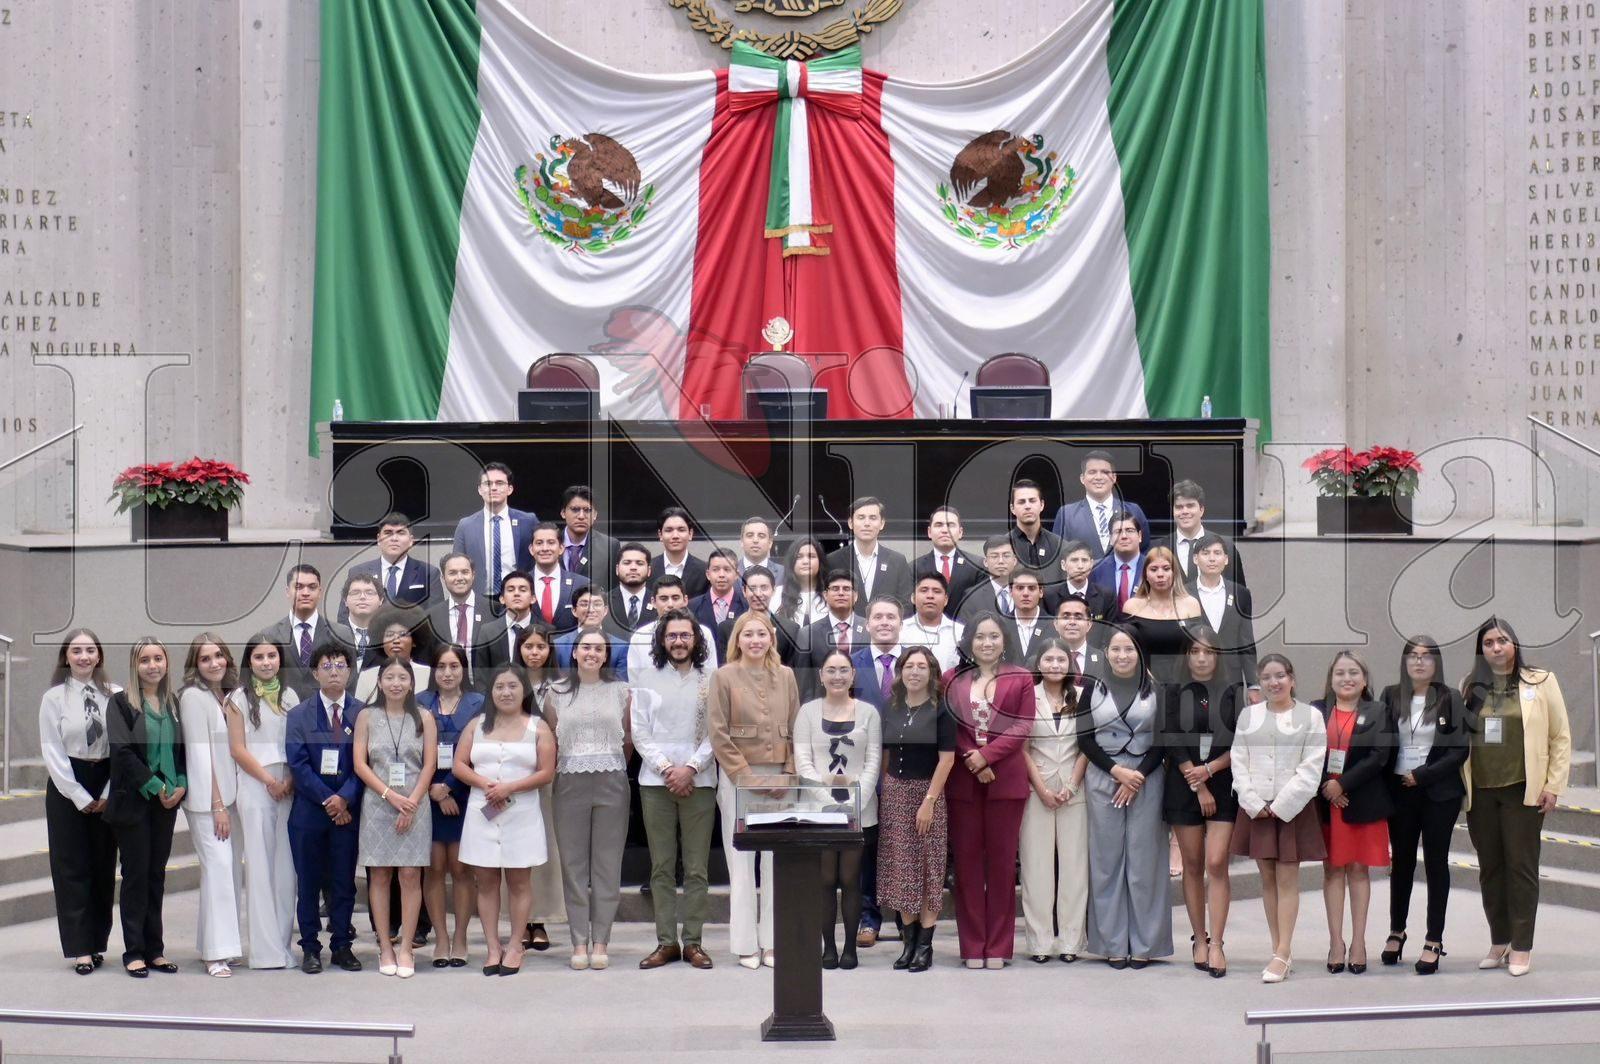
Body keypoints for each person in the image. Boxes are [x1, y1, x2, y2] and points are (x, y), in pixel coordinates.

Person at [1462, 616, 1570, 977]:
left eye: (1502, 640)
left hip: (1523, 791)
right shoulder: (1470, 686)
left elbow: (1560, 737)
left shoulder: (1540, 681)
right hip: (1480, 793)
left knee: (1521, 869)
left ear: (1515, 645)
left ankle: (1522, 945)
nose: (1496, 647)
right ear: (1481, 650)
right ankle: (1499, 940)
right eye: (1489, 642)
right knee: (1490, 869)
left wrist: (1553, 785)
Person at [709, 611, 802, 969]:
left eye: (761, 634)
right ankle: (745, 943)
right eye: (748, 634)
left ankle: (773, 941)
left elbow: (796, 728)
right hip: (739, 779)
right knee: (743, 863)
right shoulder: (723, 676)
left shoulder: (787, 676)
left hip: (781, 779)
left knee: (777, 863)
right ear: (737, 639)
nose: (755, 641)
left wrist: (789, 774)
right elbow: (718, 734)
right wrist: (749, 778)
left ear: (771, 639)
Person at [1230, 654, 1328, 983]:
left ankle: (1283, 952)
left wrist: (1282, 804)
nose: (1274, 683)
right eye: (1267, 677)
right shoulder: (1249, 715)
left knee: (1287, 880)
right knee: (1267, 880)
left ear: (1292, 679)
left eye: (1280, 676)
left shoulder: (1311, 717)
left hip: (1292, 809)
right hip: (1256, 808)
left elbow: (1312, 767)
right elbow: (1238, 760)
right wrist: (1253, 801)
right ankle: (1278, 948)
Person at [944, 613, 1034, 969]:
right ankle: (971, 946)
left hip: (1005, 782)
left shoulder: (1021, 678)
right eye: (980, 637)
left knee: (1000, 867)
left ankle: (998, 946)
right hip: (964, 782)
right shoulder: (952, 678)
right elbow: (949, 724)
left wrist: (987, 757)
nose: (986, 643)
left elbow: (1023, 724)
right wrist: (972, 759)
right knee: (967, 867)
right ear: (970, 641)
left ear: (1005, 640)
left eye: (994, 636)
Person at [1078, 626, 1171, 969]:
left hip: (1147, 777)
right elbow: (1084, 739)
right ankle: (1112, 942)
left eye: (1128, 649)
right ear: (1106, 653)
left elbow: (1163, 741)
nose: (1121, 655)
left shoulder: (1156, 690)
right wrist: (1117, 772)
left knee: (1145, 860)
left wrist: (1137, 776)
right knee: (1107, 861)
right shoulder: (1092, 688)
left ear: (1139, 653)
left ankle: (1146, 943)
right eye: (1115, 649)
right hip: (1104, 776)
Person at [455, 665, 556, 976]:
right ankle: (492, 946)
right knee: (485, 882)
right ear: (491, 691)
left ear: (523, 690)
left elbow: (546, 771)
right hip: (482, 811)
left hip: (521, 813)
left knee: (518, 881)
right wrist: (487, 785)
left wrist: (510, 787)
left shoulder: (538, 727)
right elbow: (459, 764)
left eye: (513, 686)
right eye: (499, 686)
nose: (506, 692)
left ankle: (515, 944)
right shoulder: (476, 725)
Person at [631, 611, 718, 970]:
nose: (679, 642)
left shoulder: (712, 680)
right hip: (656, 782)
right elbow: (639, 731)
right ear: (662, 640)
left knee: (697, 867)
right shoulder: (646, 678)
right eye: (672, 636)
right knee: (662, 867)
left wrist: (692, 768)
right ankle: (666, 942)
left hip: (700, 781)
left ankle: (693, 942)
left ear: (696, 640)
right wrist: (668, 769)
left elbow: (719, 730)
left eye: (685, 635)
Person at [1381, 636, 1470, 975]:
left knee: (1435, 864)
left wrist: (1424, 775)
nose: (1419, 662)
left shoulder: (1451, 698)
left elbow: (1459, 750)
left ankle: (1434, 939)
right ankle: (1396, 930)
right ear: (1405, 662)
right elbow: (1382, 744)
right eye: (1413, 656)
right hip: (1399, 791)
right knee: (1401, 862)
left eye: (1426, 657)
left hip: (1437, 793)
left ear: (1437, 663)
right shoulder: (1390, 695)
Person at [546, 628, 633, 970]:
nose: (592, 653)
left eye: (599, 648)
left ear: (606, 655)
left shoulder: (621, 691)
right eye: (587, 647)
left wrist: (610, 766)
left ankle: (601, 940)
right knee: (573, 865)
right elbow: (553, 740)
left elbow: (627, 742)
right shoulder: (556, 693)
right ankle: (579, 941)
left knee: (607, 864)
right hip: (568, 781)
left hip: (611, 778)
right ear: (575, 652)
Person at [794, 649, 882, 969]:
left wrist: (853, 802)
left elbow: (873, 762)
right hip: (818, 809)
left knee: (851, 878)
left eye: (844, 670)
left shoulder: (869, 712)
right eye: (831, 670)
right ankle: (827, 946)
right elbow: (803, 761)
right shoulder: (807, 712)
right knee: (825, 880)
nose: (838, 676)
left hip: (860, 809)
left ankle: (850, 948)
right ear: (821, 676)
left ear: (853, 675)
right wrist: (827, 801)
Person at [1162, 626, 1242, 977]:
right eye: (1194, 652)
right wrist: (1197, 781)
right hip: (1183, 783)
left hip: (1223, 783)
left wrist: (1209, 772)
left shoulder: (1233, 692)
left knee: (1216, 862)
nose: (1201, 658)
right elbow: (1171, 739)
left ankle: (1218, 944)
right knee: (1192, 865)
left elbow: (1241, 742)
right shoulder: (1172, 691)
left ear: (1218, 656)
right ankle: (1199, 937)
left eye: (1208, 652)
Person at [104, 638, 186, 978]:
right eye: (145, 660)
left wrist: (181, 783)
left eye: (158, 658)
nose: (153, 665)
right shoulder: (121, 703)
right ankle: (133, 951)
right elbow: (122, 753)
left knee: (157, 876)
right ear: (135, 666)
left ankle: (155, 950)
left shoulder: (173, 702)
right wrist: (156, 786)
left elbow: (181, 751)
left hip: (167, 803)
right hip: (136, 800)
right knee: (136, 877)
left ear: (167, 663)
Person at [39, 629, 119, 975]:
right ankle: (80, 949)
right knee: (71, 868)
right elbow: (52, 750)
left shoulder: (115, 695)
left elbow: (124, 749)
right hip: (67, 783)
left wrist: (106, 793)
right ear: (66, 657)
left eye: (90, 650)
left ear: (99, 655)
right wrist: (78, 794)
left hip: (107, 779)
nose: (84, 656)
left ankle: (97, 943)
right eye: (76, 651)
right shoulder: (53, 698)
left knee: (102, 867)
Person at [353, 656, 437, 978]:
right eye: (390, 677)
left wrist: (411, 803)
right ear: (380, 682)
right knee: (380, 876)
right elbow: (360, 764)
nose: (396, 683)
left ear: (412, 683)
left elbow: (429, 765)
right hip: (378, 805)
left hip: (416, 804)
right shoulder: (367, 716)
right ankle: (385, 946)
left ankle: (405, 948)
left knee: (411, 876)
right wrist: (391, 797)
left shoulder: (425, 718)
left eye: (403, 677)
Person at [285, 642, 365, 974]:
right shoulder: (299, 714)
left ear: (350, 670)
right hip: (309, 812)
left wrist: (344, 798)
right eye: (327, 666)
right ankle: (310, 948)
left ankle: (343, 946)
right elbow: (298, 765)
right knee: (309, 882)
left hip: (347, 812)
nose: (334, 671)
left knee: (344, 881)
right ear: (316, 672)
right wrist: (329, 800)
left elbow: (366, 763)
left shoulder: (363, 713)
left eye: (341, 665)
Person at [876, 646, 956, 973]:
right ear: (901, 672)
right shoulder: (891, 707)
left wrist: (929, 802)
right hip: (895, 793)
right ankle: (908, 945)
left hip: (927, 795)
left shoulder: (941, 709)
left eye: (922, 667)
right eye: (909, 666)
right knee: (902, 872)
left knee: (927, 870)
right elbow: (885, 755)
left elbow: (947, 759)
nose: (915, 672)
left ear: (932, 672)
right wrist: (884, 789)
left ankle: (925, 947)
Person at [1315, 649, 1393, 976]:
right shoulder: (1316, 711)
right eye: (1340, 673)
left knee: (1359, 871)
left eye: (1353, 673)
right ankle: (1336, 942)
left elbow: (1380, 755)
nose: (1346, 678)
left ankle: (1359, 942)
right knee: (1332, 870)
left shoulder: (1379, 711)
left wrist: (1343, 785)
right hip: (1325, 802)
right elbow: (1304, 752)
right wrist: (1327, 788)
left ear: (1364, 680)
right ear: (1330, 679)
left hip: (1361, 801)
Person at [223, 634, 299, 970]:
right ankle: (265, 951)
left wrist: (290, 780)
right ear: (248, 662)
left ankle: (283, 943)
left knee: (286, 869)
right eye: (259, 657)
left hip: (289, 786)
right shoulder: (237, 698)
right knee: (260, 866)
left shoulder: (291, 696)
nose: (267, 662)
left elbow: (298, 744)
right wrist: (269, 781)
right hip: (256, 787)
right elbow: (238, 749)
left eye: (272, 656)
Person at [178, 634, 245, 977]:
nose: (214, 662)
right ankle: (215, 954)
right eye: (205, 658)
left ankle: (217, 945)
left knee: (228, 871)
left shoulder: (225, 695)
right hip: (207, 801)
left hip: (229, 797)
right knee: (218, 870)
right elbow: (200, 754)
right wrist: (217, 804)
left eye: (219, 655)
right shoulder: (193, 697)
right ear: (195, 665)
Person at [1020, 638, 1089, 964]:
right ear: (1039, 663)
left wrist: (1072, 787)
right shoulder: (1026, 697)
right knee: (1037, 868)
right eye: (1048, 659)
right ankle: (1040, 942)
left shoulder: (1082, 697)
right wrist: (1042, 789)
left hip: (1074, 790)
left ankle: (1071, 942)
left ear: (1069, 664)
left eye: (1061, 659)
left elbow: (1087, 747)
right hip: (1037, 791)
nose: (1055, 665)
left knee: (1075, 868)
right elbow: (1022, 749)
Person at [418, 644, 485, 968]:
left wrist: (451, 789)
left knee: (461, 869)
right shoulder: (419, 703)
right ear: (434, 671)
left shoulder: (478, 704)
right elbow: (410, 751)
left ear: (463, 669)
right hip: (427, 795)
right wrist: (433, 789)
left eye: (454, 666)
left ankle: (460, 938)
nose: (447, 673)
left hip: (463, 794)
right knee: (433, 868)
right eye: (441, 666)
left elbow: (481, 752)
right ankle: (440, 939)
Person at [510, 623, 565, 952]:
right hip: (513, 776)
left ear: (549, 651)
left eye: (540, 647)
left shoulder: (560, 687)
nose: (534, 652)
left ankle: (540, 920)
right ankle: (519, 920)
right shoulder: (507, 683)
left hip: (548, 777)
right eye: (528, 646)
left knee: (544, 847)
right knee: (517, 851)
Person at [451, 461, 537, 600]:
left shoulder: (528, 521)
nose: (494, 488)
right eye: (488, 484)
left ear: (510, 489)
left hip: (517, 597)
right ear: (480, 489)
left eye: (499, 483)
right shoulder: (466, 525)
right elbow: (457, 564)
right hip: (480, 599)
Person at [1117, 546, 1203, 683]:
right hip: (1142, 684)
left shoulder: (1191, 605)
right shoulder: (1132, 606)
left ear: (1174, 572)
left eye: (1166, 568)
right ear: (1145, 574)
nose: (1160, 574)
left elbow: (1199, 649)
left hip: (1186, 683)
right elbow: (1125, 649)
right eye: (1154, 569)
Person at [1187, 534, 1259, 692]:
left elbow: (1246, 641)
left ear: (1226, 559)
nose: (1212, 558)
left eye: (1217, 553)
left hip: (1232, 678)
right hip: (1193, 677)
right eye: (1205, 553)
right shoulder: (1183, 594)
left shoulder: (1241, 593)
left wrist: (1253, 684)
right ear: (1195, 559)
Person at [1049, 449, 1151, 559]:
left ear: (1114, 477)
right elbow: (1058, 555)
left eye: (1105, 472)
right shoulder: (1066, 514)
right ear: (1082, 478)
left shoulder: (1133, 510)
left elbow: (1145, 550)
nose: (1098, 477)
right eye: (1092, 472)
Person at [341, 512, 443, 621]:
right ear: (379, 539)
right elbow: (344, 617)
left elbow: (436, 617)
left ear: (411, 540)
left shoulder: (429, 573)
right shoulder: (358, 572)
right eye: (388, 533)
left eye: (401, 533)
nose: (394, 538)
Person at [826, 495, 914, 609]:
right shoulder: (833, 560)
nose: (867, 523)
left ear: (882, 523)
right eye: (861, 517)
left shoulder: (897, 561)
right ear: (850, 523)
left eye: (873, 518)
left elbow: (906, 604)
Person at [427, 552, 497, 688]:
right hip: (445, 691)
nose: (459, 578)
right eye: (452, 573)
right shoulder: (431, 616)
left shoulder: (494, 611)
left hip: (487, 692)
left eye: (465, 572)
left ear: (473, 574)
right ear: (443, 577)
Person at [625, 576, 717, 678]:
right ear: (653, 602)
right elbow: (635, 682)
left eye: (675, 598)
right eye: (664, 599)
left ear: (685, 600)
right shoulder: (639, 636)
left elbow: (711, 676)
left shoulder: (703, 633)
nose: (670, 604)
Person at [796, 570, 867, 701]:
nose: (841, 593)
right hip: (823, 709)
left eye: (846, 589)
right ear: (825, 595)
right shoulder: (807, 634)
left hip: (863, 707)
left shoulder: (870, 629)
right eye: (835, 589)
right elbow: (804, 684)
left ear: (856, 596)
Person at [263, 564, 332, 698]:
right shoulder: (269, 635)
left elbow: (349, 682)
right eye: (299, 587)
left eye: (312, 587)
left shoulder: (340, 634)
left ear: (320, 592)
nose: (305, 592)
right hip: (284, 712)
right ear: (288, 591)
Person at [1165, 480, 1247, 586]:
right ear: (1173, 511)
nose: (1184, 511)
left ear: (1201, 510)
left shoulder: (1227, 546)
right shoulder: (1159, 548)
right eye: (1179, 507)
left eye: (1190, 506)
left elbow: (1239, 593)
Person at [353, 606, 434, 704]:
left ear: (414, 641)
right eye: (389, 635)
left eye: (403, 634)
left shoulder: (428, 674)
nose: (395, 640)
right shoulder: (367, 676)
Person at [915, 506, 984, 614]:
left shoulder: (977, 566)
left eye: (951, 525)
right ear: (929, 532)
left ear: (960, 532)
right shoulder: (914, 567)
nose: (945, 530)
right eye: (939, 525)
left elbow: (981, 605)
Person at [726, 565, 799, 665]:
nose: (758, 594)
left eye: (764, 588)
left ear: (773, 591)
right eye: (752, 588)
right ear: (744, 591)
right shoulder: (727, 628)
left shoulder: (790, 629)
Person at [553, 586, 631, 677]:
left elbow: (621, 686)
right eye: (584, 604)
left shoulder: (621, 647)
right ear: (574, 610)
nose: (591, 610)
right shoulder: (558, 645)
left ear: (605, 610)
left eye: (597, 604)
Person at [528, 521, 591, 633]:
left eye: (551, 542)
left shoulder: (582, 584)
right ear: (531, 549)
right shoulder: (520, 584)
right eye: (539, 543)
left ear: (561, 548)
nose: (545, 548)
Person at [689, 548, 748, 657]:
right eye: (716, 569)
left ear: (736, 574)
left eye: (727, 569)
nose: (721, 575)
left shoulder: (747, 607)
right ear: (708, 574)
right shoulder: (692, 606)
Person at [900, 572, 963, 673]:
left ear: (946, 600)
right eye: (924, 590)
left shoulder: (960, 633)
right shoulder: (900, 631)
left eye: (937, 591)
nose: (930, 596)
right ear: (913, 598)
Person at [558, 485, 619, 586]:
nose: (581, 516)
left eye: (587, 510)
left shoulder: (609, 546)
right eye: (575, 509)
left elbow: (614, 589)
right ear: (563, 513)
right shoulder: (548, 543)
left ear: (595, 515)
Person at [1008, 479, 1066, 581]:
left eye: (1032, 501)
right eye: (1021, 502)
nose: (1027, 506)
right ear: (1012, 508)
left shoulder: (1060, 546)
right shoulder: (1004, 547)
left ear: (1042, 505)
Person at [1044, 540, 1115, 621]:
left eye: (1084, 560)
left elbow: (1110, 630)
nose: (1080, 566)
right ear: (1063, 565)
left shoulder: (1106, 596)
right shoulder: (1049, 596)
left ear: (1091, 564)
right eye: (1074, 560)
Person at [953, 535, 1017, 625]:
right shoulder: (972, 596)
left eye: (1006, 556)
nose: (1001, 561)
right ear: (986, 562)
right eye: (994, 556)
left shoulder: (1027, 591)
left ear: (1014, 560)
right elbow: (966, 632)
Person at [479, 571, 539, 667]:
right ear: (502, 599)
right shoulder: (487, 632)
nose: (516, 594)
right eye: (510, 590)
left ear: (533, 598)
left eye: (523, 590)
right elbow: (481, 674)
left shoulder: (546, 630)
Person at [1089, 513, 1146, 612]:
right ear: (1110, 538)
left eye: (1129, 530)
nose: (1124, 536)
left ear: (1140, 536)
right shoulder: (1095, 569)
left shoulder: (1153, 567)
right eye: (1118, 531)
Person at [332, 571, 386, 675]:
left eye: (369, 592)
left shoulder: (390, 638)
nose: (362, 597)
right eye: (355, 592)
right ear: (345, 601)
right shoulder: (330, 636)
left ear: (381, 600)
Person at [649, 507, 708, 598]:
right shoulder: (648, 569)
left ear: (690, 534)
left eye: (681, 530)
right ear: (660, 534)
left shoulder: (704, 571)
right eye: (669, 530)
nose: (675, 536)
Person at [1001, 567, 1050, 664]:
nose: (1025, 593)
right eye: (1020, 588)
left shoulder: (1054, 626)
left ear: (1041, 592)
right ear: (1010, 591)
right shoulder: (1000, 626)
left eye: (1031, 588)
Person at [607, 542, 657, 633]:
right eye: (627, 563)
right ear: (617, 569)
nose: (633, 567)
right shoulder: (603, 601)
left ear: (649, 570)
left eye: (639, 563)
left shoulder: (659, 602)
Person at [779, 535, 827, 628]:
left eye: (811, 556)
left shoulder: (831, 594)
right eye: (799, 557)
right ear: (791, 562)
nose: (805, 561)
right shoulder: (777, 594)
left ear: (820, 561)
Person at [1052, 595, 1104, 679]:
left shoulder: (1104, 661)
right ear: (1055, 623)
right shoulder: (1038, 660)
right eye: (1066, 617)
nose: (1072, 622)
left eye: (1079, 617)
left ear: (1089, 624)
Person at [738, 515, 784, 587]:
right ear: (741, 541)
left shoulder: (783, 574)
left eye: (761, 536)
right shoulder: (730, 572)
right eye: (750, 535)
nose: (755, 540)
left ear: (770, 543)